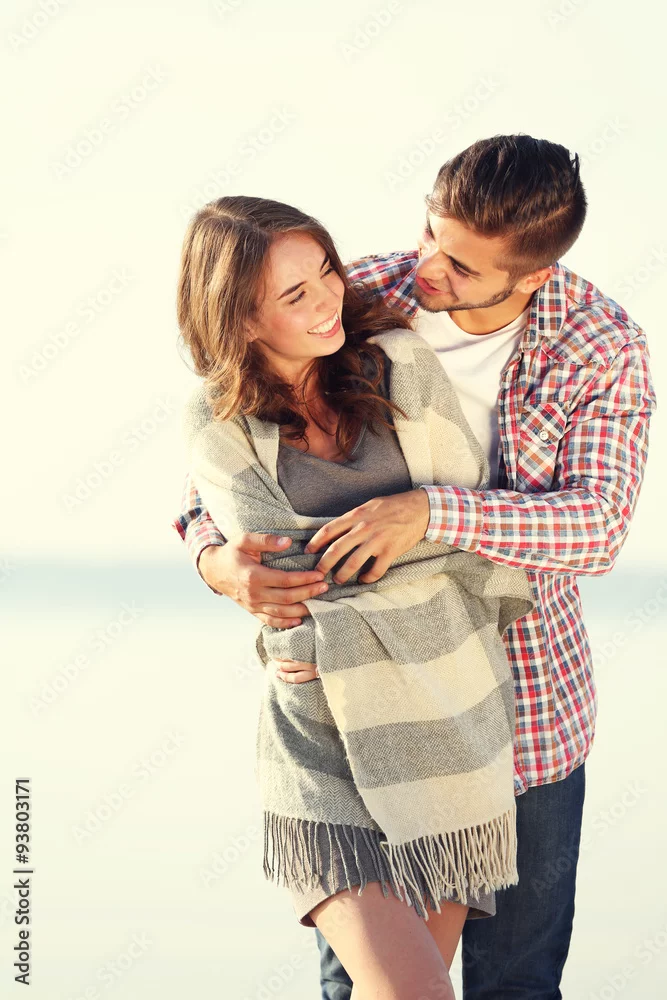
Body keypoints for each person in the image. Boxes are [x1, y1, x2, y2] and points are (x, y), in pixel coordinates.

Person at [173, 135, 657, 999]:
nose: (428, 268)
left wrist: (431, 511)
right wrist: (217, 563)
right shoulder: (367, 294)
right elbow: (224, 467)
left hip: (525, 707)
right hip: (359, 708)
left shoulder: (598, 345)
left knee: (517, 986)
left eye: (463, 267)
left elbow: (597, 526)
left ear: (533, 277)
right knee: (361, 987)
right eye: (430, 233)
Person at [177, 194, 536, 1000]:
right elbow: (290, 576)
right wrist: (402, 544)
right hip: (319, 741)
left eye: (326, 273)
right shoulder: (215, 417)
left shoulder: (401, 363)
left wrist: (411, 533)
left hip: (447, 727)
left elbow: (467, 530)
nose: (327, 299)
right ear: (239, 319)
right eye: (293, 294)